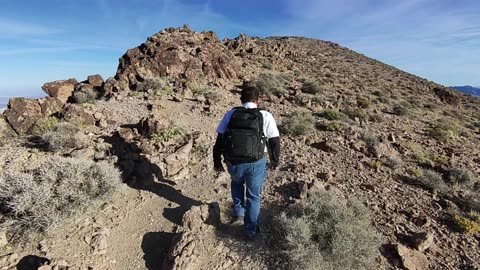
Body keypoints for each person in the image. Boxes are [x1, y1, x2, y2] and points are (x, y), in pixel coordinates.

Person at [213, 86, 280, 240]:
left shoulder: (231, 114)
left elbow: (219, 141)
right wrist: (274, 161)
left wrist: (217, 162)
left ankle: (239, 214)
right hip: (256, 163)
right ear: (258, 101)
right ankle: (250, 230)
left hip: (233, 162)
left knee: (236, 184)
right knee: (253, 196)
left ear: (241, 99)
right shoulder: (265, 115)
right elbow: (274, 141)